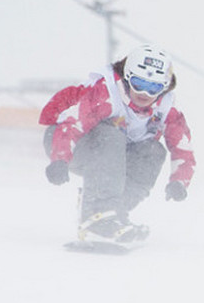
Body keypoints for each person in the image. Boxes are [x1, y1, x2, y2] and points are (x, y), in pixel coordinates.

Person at [39, 44, 195, 246]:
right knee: (111, 136)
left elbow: (182, 146)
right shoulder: (106, 93)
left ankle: (112, 215)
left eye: (153, 88)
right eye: (139, 84)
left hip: (114, 153)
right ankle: (97, 217)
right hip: (67, 140)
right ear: (128, 77)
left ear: (164, 87)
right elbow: (73, 123)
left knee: (153, 151)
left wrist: (179, 182)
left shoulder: (166, 109)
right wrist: (59, 159)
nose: (144, 94)